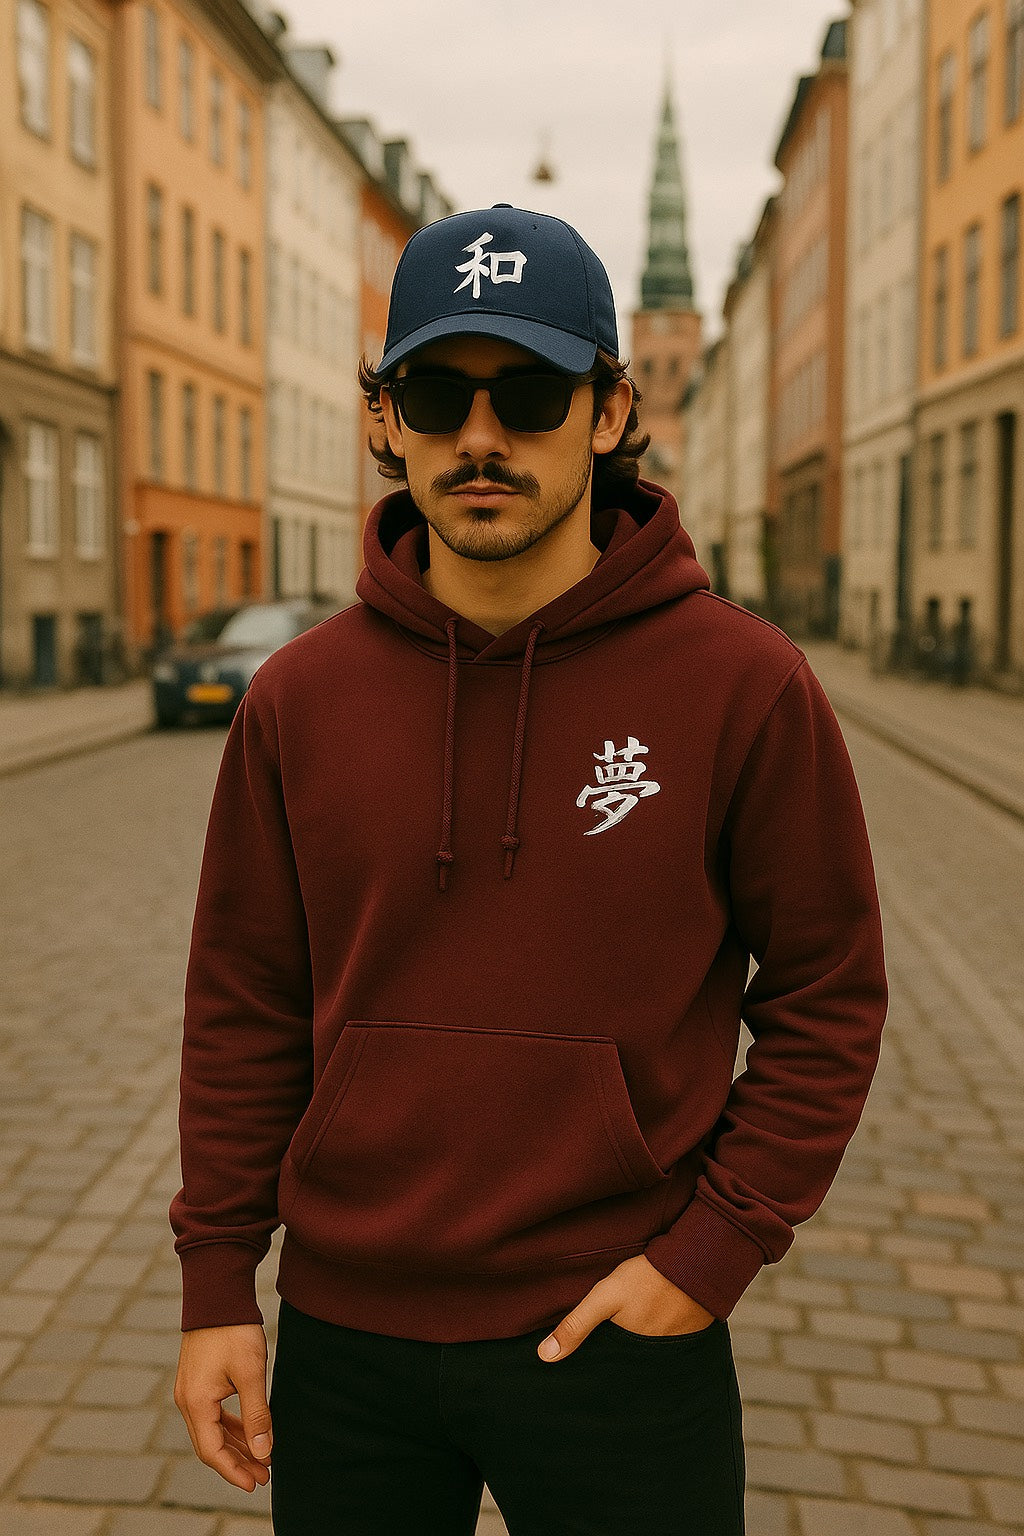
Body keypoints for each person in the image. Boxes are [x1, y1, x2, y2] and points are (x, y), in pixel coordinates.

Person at [170, 204, 888, 1535]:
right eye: (438, 394)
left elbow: (830, 994)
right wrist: (219, 1283)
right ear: (384, 418)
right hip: (349, 1345)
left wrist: (714, 1250)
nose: (481, 438)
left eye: (533, 394)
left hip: (625, 1333)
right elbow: (244, 1002)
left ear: (612, 409)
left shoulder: (744, 686)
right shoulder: (297, 700)